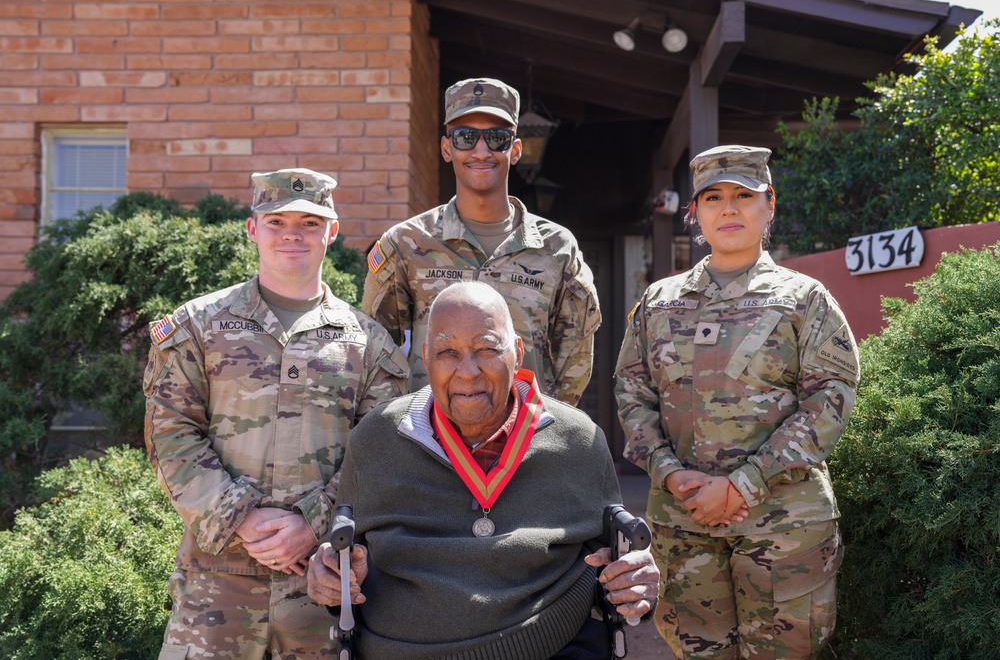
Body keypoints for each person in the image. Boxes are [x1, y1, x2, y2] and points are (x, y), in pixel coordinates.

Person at [308, 282, 658, 659]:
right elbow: (344, 556)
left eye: (487, 349)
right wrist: (330, 576)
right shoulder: (378, 437)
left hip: (552, 647)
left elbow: (614, 566)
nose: (467, 371)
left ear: (518, 353)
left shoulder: (579, 440)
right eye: (447, 352)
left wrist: (637, 582)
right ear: (425, 358)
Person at [143, 168, 409, 660]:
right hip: (214, 587)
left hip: (322, 586)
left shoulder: (369, 344)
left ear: (332, 231)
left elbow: (383, 456)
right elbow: (169, 432)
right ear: (252, 228)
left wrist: (312, 524)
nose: (292, 233)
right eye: (276, 220)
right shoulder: (200, 327)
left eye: (310, 222)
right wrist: (240, 516)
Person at [614, 145, 859, 659]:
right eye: (713, 197)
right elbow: (632, 392)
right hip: (683, 522)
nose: (728, 209)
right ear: (695, 212)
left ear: (769, 204)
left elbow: (829, 398)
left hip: (783, 526)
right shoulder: (659, 303)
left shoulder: (805, 300)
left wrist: (745, 483)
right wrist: (670, 473)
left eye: (743, 196)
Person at [362, 77, 601, 406]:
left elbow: (574, 359)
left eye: (497, 138)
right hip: (430, 442)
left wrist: (549, 425)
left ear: (514, 150)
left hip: (524, 442)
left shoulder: (557, 248)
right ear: (447, 148)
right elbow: (378, 350)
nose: (481, 150)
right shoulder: (407, 244)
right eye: (465, 137)